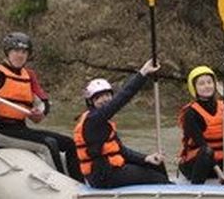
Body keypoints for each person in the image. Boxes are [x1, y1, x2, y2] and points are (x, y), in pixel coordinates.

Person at [0, 32, 82, 181]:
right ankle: (64, 184)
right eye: (16, 51)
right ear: (8, 52)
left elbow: (43, 102)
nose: (20, 55)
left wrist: (39, 113)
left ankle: (79, 182)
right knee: (48, 144)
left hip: (21, 128)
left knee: (70, 144)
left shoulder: (29, 75)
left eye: (24, 52)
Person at [73, 59, 170, 188]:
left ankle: (168, 189)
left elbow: (121, 151)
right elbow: (123, 97)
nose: (105, 99)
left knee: (156, 164)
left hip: (111, 169)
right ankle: (166, 193)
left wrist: (146, 158)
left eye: (107, 95)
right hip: (102, 175)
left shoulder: (103, 122)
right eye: (99, 97)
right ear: (91, 102)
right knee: (156, 178)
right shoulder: (93, 120)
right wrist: (143, 72)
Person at [177, 66, 224, 185]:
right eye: (201, 84)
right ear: (194, 88)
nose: (207, 86)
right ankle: (195, 191)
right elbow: (202, 145)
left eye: (209, 82)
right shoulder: (191, 113)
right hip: (193, 165)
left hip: (217, 163)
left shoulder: (222, 107)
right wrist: (220, 174)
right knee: (207, 151)